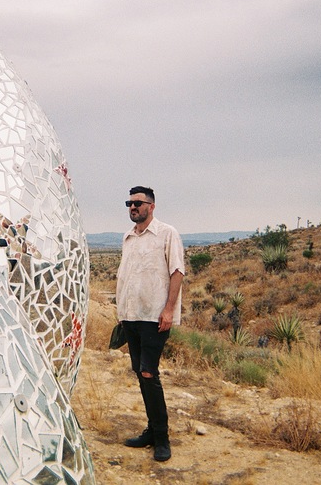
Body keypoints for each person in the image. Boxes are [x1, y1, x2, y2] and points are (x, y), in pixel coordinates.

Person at [116, 186, 185, 462]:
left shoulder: (168, 233)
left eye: (138, 203)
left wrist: (169, 310)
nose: (133, 207)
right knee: (139, 372)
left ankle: (162, 437)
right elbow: (126, 276)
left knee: (148, 373)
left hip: (155, 318)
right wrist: (121, 311)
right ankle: (151, 431)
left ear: (151, 207)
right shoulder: (128, 237)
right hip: (131, 316)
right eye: (129, 203)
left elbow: (177, 271)